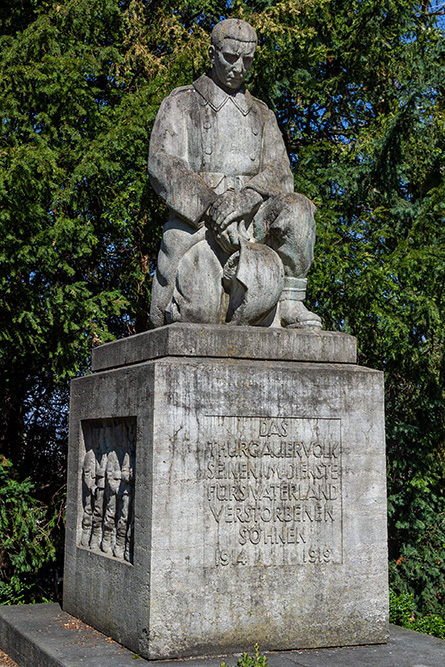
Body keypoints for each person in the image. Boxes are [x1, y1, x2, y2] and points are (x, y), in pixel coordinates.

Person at [148, 18, 321, 330]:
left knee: (298, 209)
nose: (239, 68)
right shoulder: (183, 101)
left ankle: (292, 300)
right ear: (212, 54)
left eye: (247, 60)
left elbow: (281, 173)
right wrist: (212, 209)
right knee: (196, 314)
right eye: (230, 57)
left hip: (254, 219)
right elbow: (164, 165)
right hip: (198, 224)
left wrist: (248, 198)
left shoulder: (262, 113)